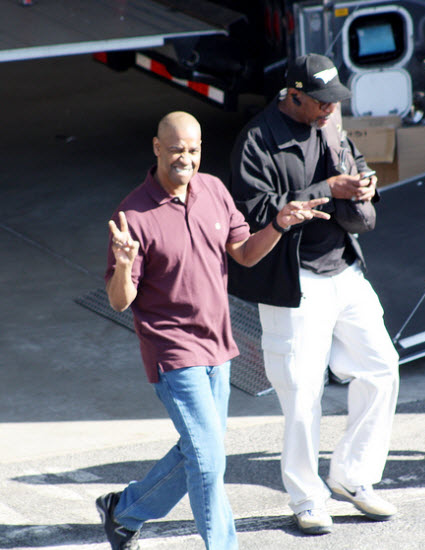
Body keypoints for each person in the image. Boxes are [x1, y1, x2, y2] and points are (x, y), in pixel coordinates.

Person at [95, 110, 329, 550]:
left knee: (201, 450)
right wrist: (124, 266)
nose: (185, 158)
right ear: (157, 148)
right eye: (176, 149)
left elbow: (243, 253)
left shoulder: (214, 191)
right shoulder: (134, 215)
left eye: (193, 149)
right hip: (173, 351)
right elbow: (120, 301)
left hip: (219, 346)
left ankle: (123, 511)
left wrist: (279, 224)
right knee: (208, 462)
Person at [228, 53, 400, 535]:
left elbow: (355, 164)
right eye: (321, 101)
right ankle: (306, 497)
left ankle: (353, 476)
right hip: (294, 283)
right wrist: (328, 188)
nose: (329, 109)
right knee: (302, 394)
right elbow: (253, 213)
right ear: (293, 95)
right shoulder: (257, 141)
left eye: (334, 101)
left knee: (381, 368)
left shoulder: (330, 125)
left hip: (344, 269)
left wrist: (364, 185)